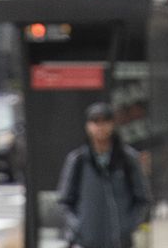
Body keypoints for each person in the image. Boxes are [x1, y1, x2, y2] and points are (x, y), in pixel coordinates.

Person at [56, 101, 150, 248]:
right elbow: (64, 202)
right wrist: (78, 226)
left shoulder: (128, 159)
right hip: (86, 242)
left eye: (105, 121)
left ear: (112, 124)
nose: (100, 127)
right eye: (95, 122)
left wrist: (129, 225)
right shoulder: (78, 160)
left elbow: (142, 199)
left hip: (120, 242)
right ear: (88, 126)